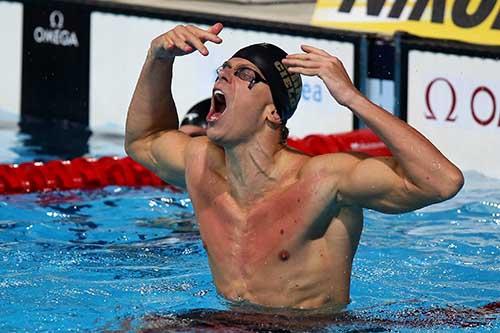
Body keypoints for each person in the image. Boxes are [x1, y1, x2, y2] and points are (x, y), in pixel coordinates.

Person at [125, 22, 464, 311]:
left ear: (273, 112)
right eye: (223, 70)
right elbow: (144, 141)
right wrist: (159, 57)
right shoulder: (200, 163)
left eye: (244, 74)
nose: (225, 76)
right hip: (226, 322)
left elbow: (442, 182)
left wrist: (351, 97)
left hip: (308, 328)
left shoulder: (325, 181)